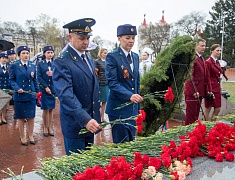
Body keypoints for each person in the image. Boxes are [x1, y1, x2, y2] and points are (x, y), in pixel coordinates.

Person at [52, 18, 101, 155]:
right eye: (81, 38)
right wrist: (85, 119)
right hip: (76, 124)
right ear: (70, 37)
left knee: (88, 168)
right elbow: (65, 95)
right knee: (77, 171)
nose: (85, 42)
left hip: (89, 122)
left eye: (87, 38)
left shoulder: (88, 58)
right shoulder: (62, 61)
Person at [105, 24, 143, 144]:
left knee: (131, 143)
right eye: (127, 38)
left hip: (132, 109)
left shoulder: (136, 57)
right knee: (121, 146)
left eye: (133, 38)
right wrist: (129, 96)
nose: (131, 41)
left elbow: (136, 81)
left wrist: (138, 108)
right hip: (118, 109)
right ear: (119, 38)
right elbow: (112, 83)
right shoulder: (112, 56)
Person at [9, 46, 39, 146]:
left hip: (31, 94)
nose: (26, 55)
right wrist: (17, 88)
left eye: (27, 53)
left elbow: (34, 80)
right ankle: (22, 136)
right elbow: (11, 80)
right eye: (23, 53)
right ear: (19, 55)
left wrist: (38, 92)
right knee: (21, 117)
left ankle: (30, 135)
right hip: (20, 95)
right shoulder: (15, 65)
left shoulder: (32, 65)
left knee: (31, 116)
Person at [184, 39, 211, 125]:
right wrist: (193, 90)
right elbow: (189, 76)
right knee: (191, 115)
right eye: (202, 46)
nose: (204, 48)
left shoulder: (201, 58)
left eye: (205, 46)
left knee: (196, 114)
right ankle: (188, 134)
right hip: (193, 92)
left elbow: (205, 76)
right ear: (196, 46)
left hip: (200, 91)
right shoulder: (193, 58)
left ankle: (194, 134)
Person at [37, 46, 56, 137]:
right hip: (44, 90)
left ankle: (50, 127)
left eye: (51, 52)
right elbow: (39, 77)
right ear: (44, 53)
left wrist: (53, 75)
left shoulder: (55, 63)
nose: (50, 54)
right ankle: (45, 126)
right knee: (45, 109)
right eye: (48, 52)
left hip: (53, 89)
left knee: (51, 109)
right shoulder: (40, 64)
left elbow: (59, 75)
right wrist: (45, 87)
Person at [204, 44, 223, 121]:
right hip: (210, 88)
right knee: (208, 108)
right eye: (217, 50)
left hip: (217, 87)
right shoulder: (208, 62)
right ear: (211, 51)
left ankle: (212, 125)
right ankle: (204, 125)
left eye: (220, 51)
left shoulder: (217, 62)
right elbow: (206, 77)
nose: (219, 52)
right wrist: (208, 90)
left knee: (218, 108)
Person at [94, 48, 108, 122]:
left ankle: (102, 117)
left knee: (104, 101)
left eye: (106, 53)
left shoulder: (107, 62)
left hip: (106, 83)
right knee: (98, 101)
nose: (105, 54)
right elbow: (95, 72)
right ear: (101, 53)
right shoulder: (97, 61)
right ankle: (97, 117)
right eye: (104, 53)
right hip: (100, 83)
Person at [0, 52, 10, 125]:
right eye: (3, 58)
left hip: (7, 87)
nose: (4, 60)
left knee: (5, 103)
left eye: (6, 58)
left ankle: (3, 117)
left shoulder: (9, 66)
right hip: (0, 87)